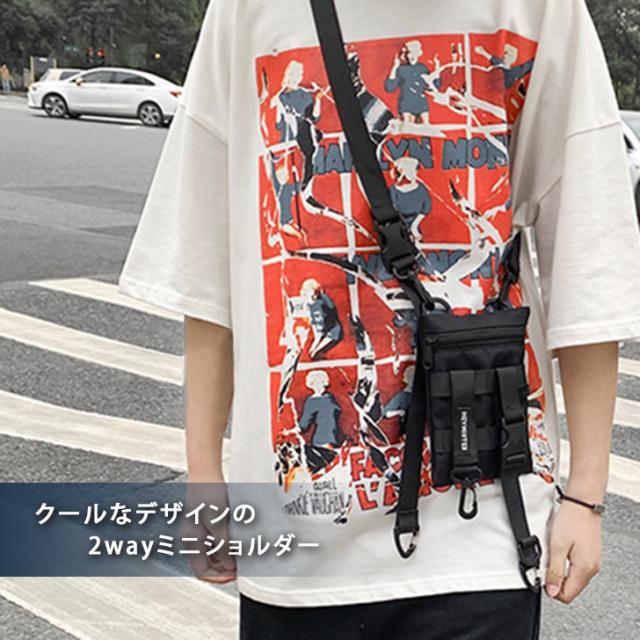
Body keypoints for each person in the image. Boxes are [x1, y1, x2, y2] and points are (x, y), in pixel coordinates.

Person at [119, 1, 640, 638]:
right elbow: (209, 260)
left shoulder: (535, 8)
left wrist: (586, 493)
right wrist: (204, 475)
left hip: (484, 534)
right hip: (297, 546)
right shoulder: (248, 9)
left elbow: (588, 257)